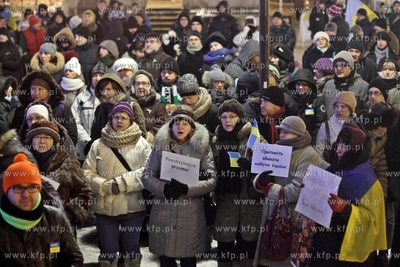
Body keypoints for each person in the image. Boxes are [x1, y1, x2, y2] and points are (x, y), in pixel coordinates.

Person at [141, 104, 217, 267]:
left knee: (188, 260)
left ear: (192, 127)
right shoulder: (160, 145)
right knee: (166, 260)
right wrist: (164, 189)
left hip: (190, 213)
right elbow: (146, 176)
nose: (180, 126)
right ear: (170, 125)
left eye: (185, 123)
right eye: (176, 122)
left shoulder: (202, 148)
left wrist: (188, 189)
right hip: (164, 210)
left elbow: (212, 180)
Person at [83, 102, 151, 267]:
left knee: (131, 250)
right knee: (107, 252)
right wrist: (103, 185)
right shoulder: (98, 144)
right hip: (104, 205)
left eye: (124, 117)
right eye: (116, 117)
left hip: (133, 206)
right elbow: (86, 172)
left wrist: (121, 183)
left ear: (131, 120)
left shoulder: (141, 144)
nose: (119, 120)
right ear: (110, 118)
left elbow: (148, 171)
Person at [310, 126, 386, 266]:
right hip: (324, 244)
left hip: (347, 252)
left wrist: (345, 209)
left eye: (344, 146)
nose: (338, 150)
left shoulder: (368, 182)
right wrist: (309, 191)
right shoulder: (334, 169)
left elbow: (373, 222)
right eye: (338, 144)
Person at [253, 116, 319, 267]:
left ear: (298, 134)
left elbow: (296, 190)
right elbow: (261, 175)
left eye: (286, 132)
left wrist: (268, 188)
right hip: (270, 212)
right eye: (281, 131)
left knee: (283, 258)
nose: (281, 135)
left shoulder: (309, 154)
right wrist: (259, 180)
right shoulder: (277, 149)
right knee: (268, 256)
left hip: (290, 216)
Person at [0, 153, 84, 266]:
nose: (26, 194)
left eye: (32, 187)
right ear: (6, 191)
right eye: (18, 188)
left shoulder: (55, 217)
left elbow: (74, 258)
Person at [212, 99, 264, 267]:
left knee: (247, 243)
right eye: (224, 116)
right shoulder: (215, 140)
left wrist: (252, 167)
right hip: (226, 201)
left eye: (232, 116)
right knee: (224, 241)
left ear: (241, 117)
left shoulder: (255, 139)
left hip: (249, 201)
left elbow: (269, 168)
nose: (228, 120)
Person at [25, 121, 92, 236]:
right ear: (31, 140)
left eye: (47, 137)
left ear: (54, 141)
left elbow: (85, 193)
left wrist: (69, 214)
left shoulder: (68, 162)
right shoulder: (22, 162)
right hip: (28, 229)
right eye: (37, 137)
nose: (42, 141)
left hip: (60, 229)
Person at [11, 70, 78, 146]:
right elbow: (14, 135)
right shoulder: (21, 110)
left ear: (49, 91)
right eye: (33, 89)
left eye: (40, 89)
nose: (36, 93)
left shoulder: (61, 109)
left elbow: (72, 137)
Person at [72, 62, 106, 163]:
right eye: (95, 75)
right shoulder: (81, 98)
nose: (97, 78)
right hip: (82, 149)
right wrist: (86, 141)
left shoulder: (109, 99)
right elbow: (74, 121)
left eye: (101, 75)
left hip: (104, 149)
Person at [315, 91, 357, 169]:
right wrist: (330, 169)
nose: (339, 110)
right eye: (336, 106)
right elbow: (318, 154)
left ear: (350, 110)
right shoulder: (326, 126)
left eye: (343, 106)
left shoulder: (357, 126)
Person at [321, 51, 369, 118]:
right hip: (331, 126)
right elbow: (322, 110)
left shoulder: (362, 86)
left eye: (343, 65)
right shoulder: (329, 85)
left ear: (351, 67)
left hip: (353, 127)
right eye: (336, 66)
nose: (339, 68)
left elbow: (367, 111)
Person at [287, 69, 326, 144]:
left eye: (304, 85)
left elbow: (319, 125)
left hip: (309, 142)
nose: (301, 87)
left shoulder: (316, 102)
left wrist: (314, 145)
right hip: (291, 141)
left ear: (310, 87)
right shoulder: (289, 100)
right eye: (298, 84)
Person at [129, 70, 167, 145]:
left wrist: (149, 136)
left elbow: (162, 124)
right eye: (137, 84)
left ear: (150, 87)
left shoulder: (158, 105)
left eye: (144, 84)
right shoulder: (128, 104)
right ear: (133, 87)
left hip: (151, 144)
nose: (140, 87)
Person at [177, 73, 220, 139]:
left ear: (198, 94)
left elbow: (218, 136)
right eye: (184, 98)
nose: (187, 101)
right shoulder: (181, 110)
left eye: (190, 97)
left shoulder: (212, 110)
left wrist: (197, 130)